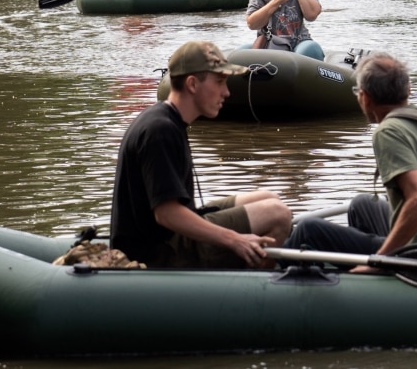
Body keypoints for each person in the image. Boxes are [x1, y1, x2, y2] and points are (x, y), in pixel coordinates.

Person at [110, 40, 293, 268]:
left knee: (268, 198)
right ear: (193, 84)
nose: (226, 92)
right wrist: (234, 239)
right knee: (278, 215)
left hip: (168, 237)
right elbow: (166, 214)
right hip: (158, 253)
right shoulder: (160, 130)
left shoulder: (166, 119)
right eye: (219, 82)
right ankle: (255, 292)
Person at [282, 53, 417, 271]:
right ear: (408, 90)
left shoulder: (388, 132)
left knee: (309, 229)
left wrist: (379, 261)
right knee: (362, 204)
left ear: (365, 98)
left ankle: (267, 278)